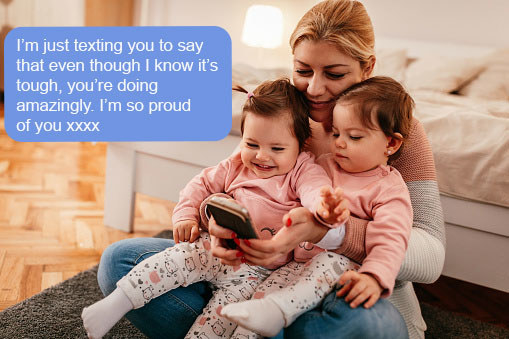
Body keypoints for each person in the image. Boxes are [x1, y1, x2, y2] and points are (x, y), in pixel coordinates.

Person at [96, 1, 445, 338]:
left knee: (370, 328)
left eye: (334, 74)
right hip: (248, 275)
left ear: (367, 68)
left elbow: (430, 257)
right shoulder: (285, 112)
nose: (315, 88)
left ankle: (252, 324)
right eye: (303, 70)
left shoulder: (393, 129)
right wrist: (216, 222)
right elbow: (233, 180)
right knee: (119, 262)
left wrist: (326, 232)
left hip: (336, 284)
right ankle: (244, 322)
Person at [82, 78, 351, 339]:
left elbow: (315, 192)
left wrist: (324, 210)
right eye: (252, 144)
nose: (261, 156)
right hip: (217, 249)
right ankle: (116, 303)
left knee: (222, 318)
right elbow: (199, 185)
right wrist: (186, 214)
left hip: (260, 275)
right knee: (179, 257)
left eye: (277, 148)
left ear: (300, 146)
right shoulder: (237, 164)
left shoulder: (303, 169)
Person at [221, 76, 414, 338]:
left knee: (329, 261)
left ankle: (276, 312)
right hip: (289, 265)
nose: (339, 143)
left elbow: (391, 240)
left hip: (339, 272)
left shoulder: (388, 188)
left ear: (391, 143)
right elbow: (257, 181)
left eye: (354, 137)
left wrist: (374, 277)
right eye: (335, 133)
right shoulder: (320, 163)